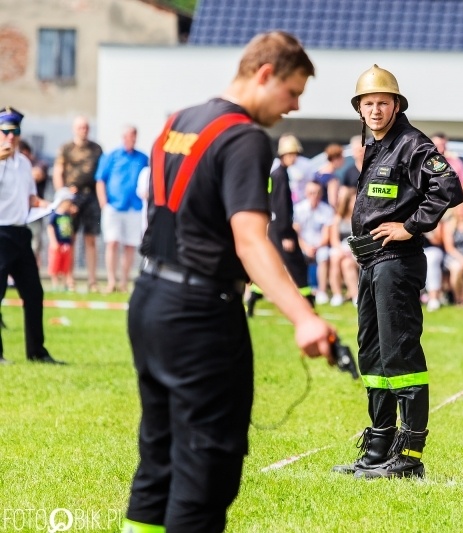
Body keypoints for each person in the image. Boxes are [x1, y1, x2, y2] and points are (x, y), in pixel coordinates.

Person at [122, 32, 335, 533]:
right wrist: (304, 317)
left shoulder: (179, 121)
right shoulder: (243, 138)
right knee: (205, 472)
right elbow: (251, 240)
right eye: (292, 92)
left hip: (150, 299)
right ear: (265, 74)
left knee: (160, 456)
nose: (295, 107)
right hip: (199, 312)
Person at [332, 64, 463, 479]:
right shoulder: (375, 145)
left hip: (396, 264)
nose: (374, 110)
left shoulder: (411, 144)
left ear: (396, 105)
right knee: (371, 354)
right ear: (359, 109)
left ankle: (409, 456)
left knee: (400, 354)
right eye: (367, 103)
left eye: (382, 103)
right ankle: (377, 447)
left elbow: (448, 188)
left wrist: (409, 227)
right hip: (370, 263)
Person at [0, 106, 63, 365]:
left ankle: (37, 351)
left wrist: (52, 205)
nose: (10, 137)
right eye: (5, 132)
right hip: (0, 232)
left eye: (14, 132)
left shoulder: (24, 163)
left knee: (34, 293)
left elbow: (29, 198)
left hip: (20, 231)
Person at [256, 133, 314, 315]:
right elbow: (281, 207)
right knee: (297, 265)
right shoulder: (280, 175)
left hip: (275, 227)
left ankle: (253, 295)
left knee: (273, 264)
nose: (295, 157)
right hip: (282, 229)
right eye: (292, 154)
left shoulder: (276, 173)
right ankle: (308, 302)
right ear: (284, 155)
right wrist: (287, 235)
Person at [95, 125, 149, 293]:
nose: (130, 140)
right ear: (123, 137)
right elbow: (100, 180)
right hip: (114, 206)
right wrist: (104, 203)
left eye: (133, 137)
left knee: (130, 245)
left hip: (135, 207)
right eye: (128, 136)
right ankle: (111, 281)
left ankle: (124, 281)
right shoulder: (112, 156)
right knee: (112, 242)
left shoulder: (143, 158)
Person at [53, 116, 103, 292]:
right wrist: (63, 197)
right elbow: (58, 172)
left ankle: (92, 282)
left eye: (86, 127)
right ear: (75, 129)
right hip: (71, 198)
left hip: (91, 199)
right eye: (81, 127)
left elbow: (100, 176)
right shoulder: (66, 148)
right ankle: (69, 279)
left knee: (90, 239)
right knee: (70, 239)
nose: (84, 130)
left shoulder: (96, 149)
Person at [294, 180, 335, 304]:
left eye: (317, 193)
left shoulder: (327, 210)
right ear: (306, 193)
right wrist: (305, 247)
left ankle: (321, 291)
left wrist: (316, 247)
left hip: (319, 245)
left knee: (324, 255)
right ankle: (300, 290)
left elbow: (326, 234)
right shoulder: (298, 209)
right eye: (311, 193)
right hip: (302, 244)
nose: (314, 195)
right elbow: (296, 233)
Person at [18, 139, 49, 266]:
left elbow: (37, 174)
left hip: (34, 213)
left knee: (34, 244)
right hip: (17, 213)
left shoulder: (37, 163)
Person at [328, 187, 359, 307]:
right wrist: (342, 251)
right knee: (336, 259)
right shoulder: (338, 219)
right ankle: (337, 294)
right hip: (341, 249)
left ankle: (355, 295)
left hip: (355, 251)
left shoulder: (361, 220)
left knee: (346, 264)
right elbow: (334, 240)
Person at [47, 188, 78, 291]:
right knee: (55, 264)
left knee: (65, 265)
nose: (70, 204)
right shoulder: (55, 215)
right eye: (68, 202)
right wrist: (53, 242)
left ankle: (65, 284)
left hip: (66, 244)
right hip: (57, 244)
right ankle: (55, 284)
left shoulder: (68, 216)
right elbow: (50, 228)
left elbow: (70, 229)